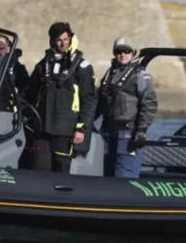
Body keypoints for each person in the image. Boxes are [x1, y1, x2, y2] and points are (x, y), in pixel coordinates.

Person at [26, 22, 97, 173]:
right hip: (43, 128)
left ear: (70, 39)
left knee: (61, 168)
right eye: (59, 40)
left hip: (67, 130)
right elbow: (30, 94)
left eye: (65, 39)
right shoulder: (43, 65)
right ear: (52, 41)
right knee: (39, 168)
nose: (63, 43)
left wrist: (81, 129)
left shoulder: (82, 67)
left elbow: (89, 100)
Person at [96, 36, 158, 178]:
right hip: (109, 134)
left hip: (128, 135)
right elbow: (100, 102)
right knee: (107, 176)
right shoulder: (109, 75)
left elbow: (149, 103)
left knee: (123, 175)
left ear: (133, 53)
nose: (123, 54)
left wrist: (141, 130)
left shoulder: (140, 75)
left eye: (126, 51)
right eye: (119, 51)